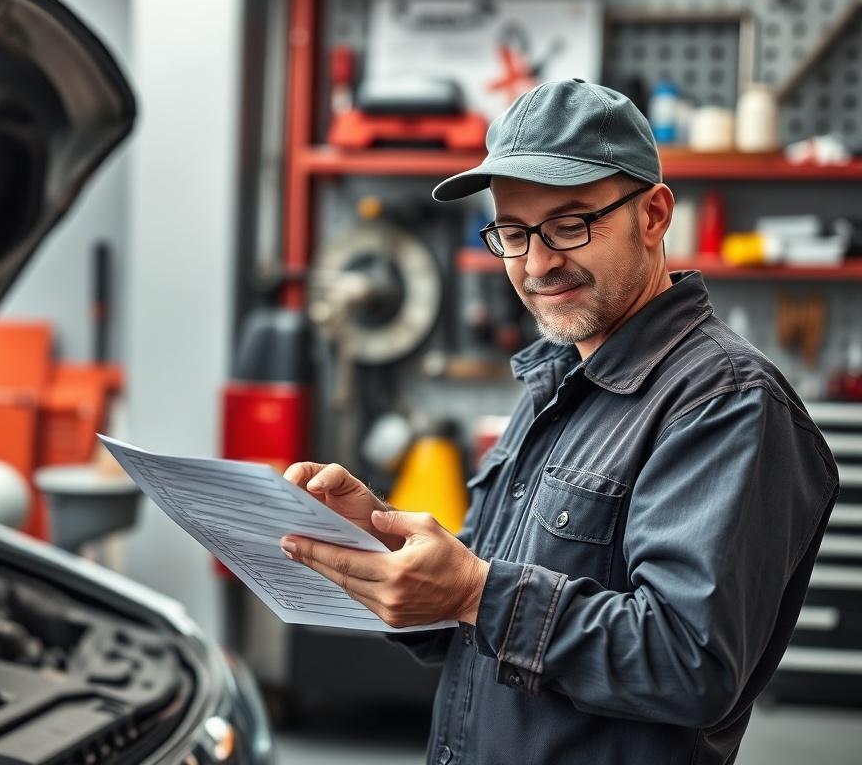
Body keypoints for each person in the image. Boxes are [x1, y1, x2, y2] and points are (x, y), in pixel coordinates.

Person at [279, 79, 838, 764]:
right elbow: (473, 602)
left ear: (654, 215)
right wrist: (382, 548)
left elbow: (691, 663)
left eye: (570, 224)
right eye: (513, 233)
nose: (539, 263)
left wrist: (479, 596)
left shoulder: (724, 402)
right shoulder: (552, 380)